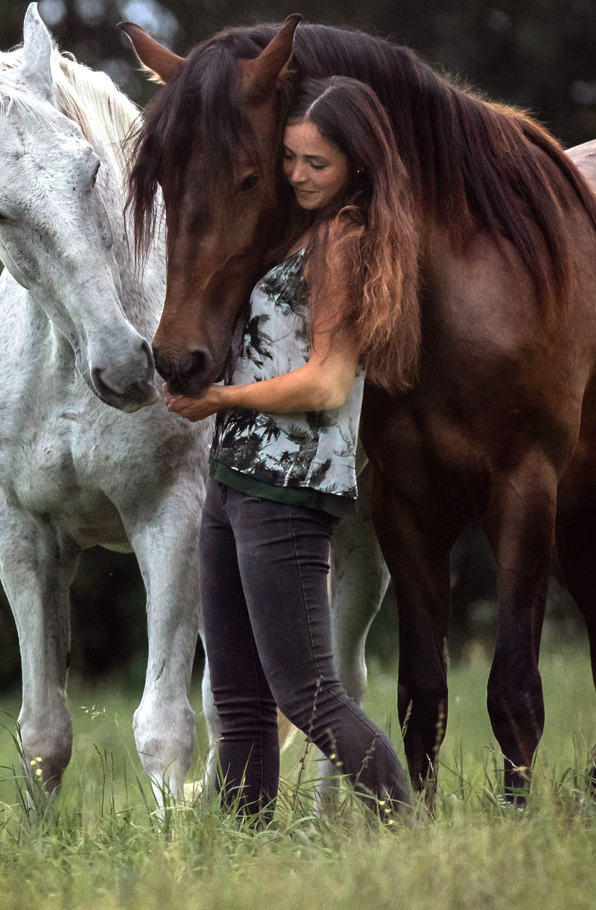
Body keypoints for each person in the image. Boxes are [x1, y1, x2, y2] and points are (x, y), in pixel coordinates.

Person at [164, 75, 421, 821]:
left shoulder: (345, 240)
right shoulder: (294, 233)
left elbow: (328, 383)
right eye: (291, 159)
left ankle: (408, 829)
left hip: (290, 486)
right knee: (238, 703)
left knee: (308, 696)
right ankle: (248, 859)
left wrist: (221, 400)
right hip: (234, 479)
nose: (300, 177)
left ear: (358, 165)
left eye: (319, 164)